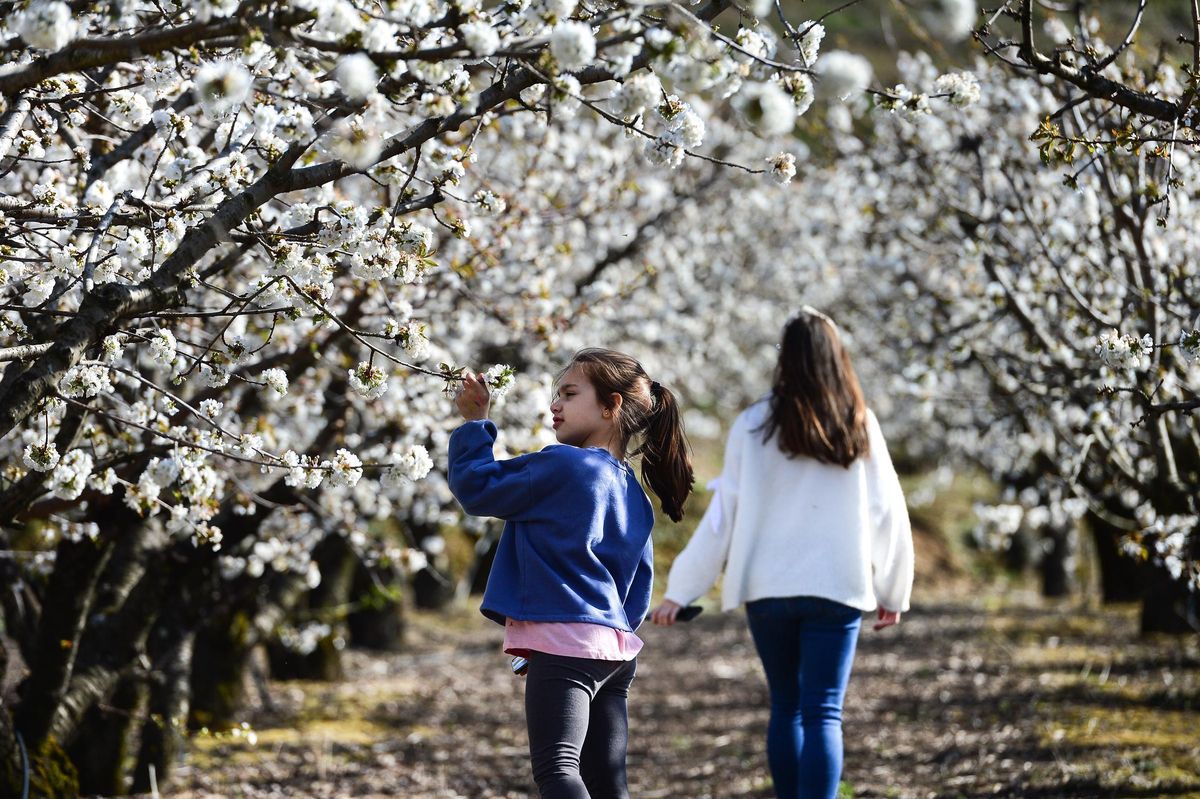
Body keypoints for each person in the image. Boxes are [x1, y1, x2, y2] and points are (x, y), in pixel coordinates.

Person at [650, 308, 914, 799]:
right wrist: (893, 589)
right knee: (823, 711)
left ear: (784, 359)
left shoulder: (753, 424)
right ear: (837, 358)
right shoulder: (857, 423)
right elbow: (887, 510)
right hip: (838, 585)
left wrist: (681, 590)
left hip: (767, 590)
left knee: (787, 707)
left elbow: (723, 518)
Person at [448, 348, 694, 799]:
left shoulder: (561, 464)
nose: (554, 405)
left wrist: (472, 424)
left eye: (569, 393)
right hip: (615, 652)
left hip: (565, 644)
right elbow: (638, 588)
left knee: (558, 769)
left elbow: (478, 488)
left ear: (611, 405)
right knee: (606, 780)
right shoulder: (632, 492)